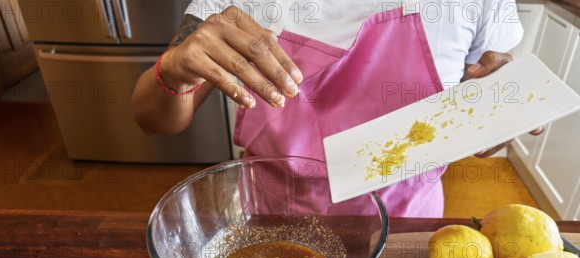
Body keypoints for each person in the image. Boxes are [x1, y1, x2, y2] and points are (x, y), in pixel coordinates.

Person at [132, 0, 541, 217]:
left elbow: (482, 108)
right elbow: (153, 120)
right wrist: (174, 69)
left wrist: (495, 110)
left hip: (405, 235)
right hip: (272, 223)